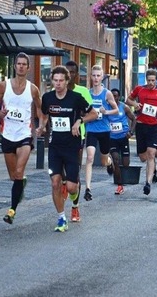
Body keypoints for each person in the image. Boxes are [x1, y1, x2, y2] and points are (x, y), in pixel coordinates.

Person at [39, 65, 98, 232]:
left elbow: (93, 114)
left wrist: (80, 121)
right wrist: (42, 126)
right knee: (55, 182)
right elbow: (44, 114)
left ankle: (75, 202)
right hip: (55, 146)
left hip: (72, 146)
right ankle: (61, 218)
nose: (57, 84)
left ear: (66, 82)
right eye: (55, 80)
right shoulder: (48, 98)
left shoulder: (76, 98)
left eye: (60, 81)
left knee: (71, 186)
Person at [0, 52, 42, 224]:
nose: (21, 66)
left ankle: (12, 211)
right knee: (14, 176)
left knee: (19, 171)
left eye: (24, 64)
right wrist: (0, 114)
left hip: (24, 135)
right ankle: (21, 183)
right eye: (18, 64)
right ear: (14, 66)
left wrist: (42, 125)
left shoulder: (33, 89)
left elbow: (41, 110)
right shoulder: (4, 86)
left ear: (28, 68)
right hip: (7, 135)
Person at [126, 69, 157, 196]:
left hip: (155, 126)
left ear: (156, 80)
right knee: (143, 157)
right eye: (148, 80)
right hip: (141, 125)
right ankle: (154, 166)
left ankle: (148, 183)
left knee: (151, 154)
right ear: (146, 79)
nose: (150, 83)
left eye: (153, 80)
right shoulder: (140, 89)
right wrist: (135, 104)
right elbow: (128, 100)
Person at [84, 65, 118, 201]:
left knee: (103, 161)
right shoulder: (88, 93)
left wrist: (106, 112)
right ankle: (88, 188)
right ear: (90, 76)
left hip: (104, 130)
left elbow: (116, 110)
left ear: (102, 76)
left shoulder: (107, 93)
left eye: (98, 75)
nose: (96, 78)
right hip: (91, 129)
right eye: (94, 75)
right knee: (90, 158)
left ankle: (109, 163)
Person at [64, 61, 93, 222]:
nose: (69, 75)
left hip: (77, 138)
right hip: (59, 138)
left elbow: (91, 113)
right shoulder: (57, 90)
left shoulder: (82, 92)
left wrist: (80, 120)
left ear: (76, 75)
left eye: (73, 72)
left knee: (74, 174)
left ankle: (75, 208)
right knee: (59, 173)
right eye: (67, 72)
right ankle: (63, 184)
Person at [109, 88, 136, 195]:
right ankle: (119, 185)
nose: (114, 98)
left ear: (119, 97)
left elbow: (134, 119)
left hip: (123, 137)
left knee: (125, 164)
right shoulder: (106, 107)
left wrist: (131, 132)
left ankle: (113, 168)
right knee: (116, 159)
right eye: (112, 96)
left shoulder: (124, 107)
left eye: (116, 96)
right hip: (112, 138)